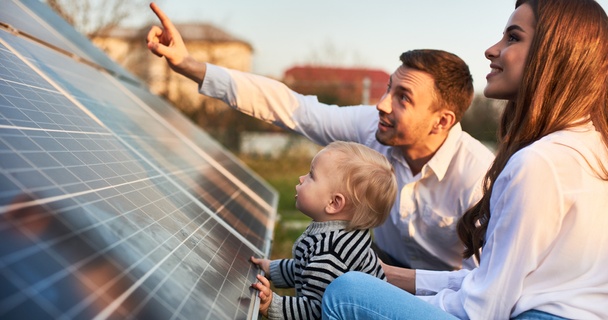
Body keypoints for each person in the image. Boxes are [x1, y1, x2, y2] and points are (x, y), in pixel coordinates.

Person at [145, 2, 495, 271]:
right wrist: (189, 65)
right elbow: (292, 108)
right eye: (389, 88)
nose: (383, 104)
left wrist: (380, 280)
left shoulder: (479, 177)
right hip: (379, 262)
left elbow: (480, 287)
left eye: (403, 97)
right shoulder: (373, 127)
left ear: (441, 121)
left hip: (443, 295)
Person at [321, 0, 608, 319]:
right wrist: (393, 277)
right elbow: (495, 282)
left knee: (347, 294)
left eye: (513, 37)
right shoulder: (593, 144)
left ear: (555, 55)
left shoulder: (539, 163)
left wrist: (381, 296)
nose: (491, 49)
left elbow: (484, 308)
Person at [248, 141, 397, 319]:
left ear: (334, 203)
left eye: (311, 175)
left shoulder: (331, 253)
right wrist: (272, 269)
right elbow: (305, 269)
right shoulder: (337, 234)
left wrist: (272, 304)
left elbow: (316, 311)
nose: (301, 178)